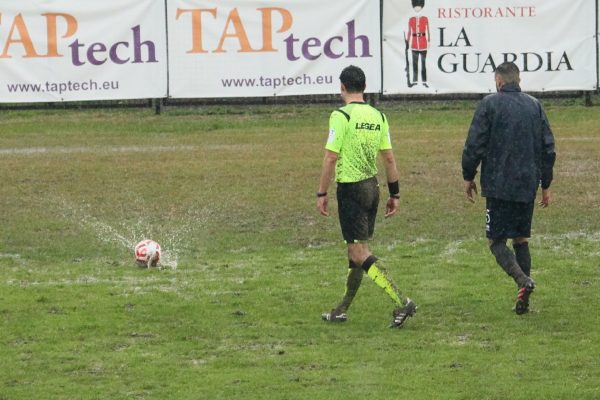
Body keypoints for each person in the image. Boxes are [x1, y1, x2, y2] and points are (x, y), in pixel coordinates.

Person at [316, 65, 416, 328]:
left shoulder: (341, 116)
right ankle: (341, 309)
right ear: (364, 86)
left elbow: (330, 157)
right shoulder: (378, 116)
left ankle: (402, 301)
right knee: (354, 252)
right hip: (372, 188)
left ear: (342, 88)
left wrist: (322, 192)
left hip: (351, 189)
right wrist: (395, 194)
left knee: (360, 252)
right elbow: (390, 159)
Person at [462, 61, 556, 314]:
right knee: (521, 239)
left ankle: (522, 280)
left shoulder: (489, 104)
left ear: (499, 82)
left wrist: (468, 175)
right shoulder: (534, 106)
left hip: (498, 184)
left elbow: (474, 144)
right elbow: (549, 148)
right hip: (527, 183)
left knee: (495, 242)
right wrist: (545, 184)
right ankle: (523, 300)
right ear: (519, 80)